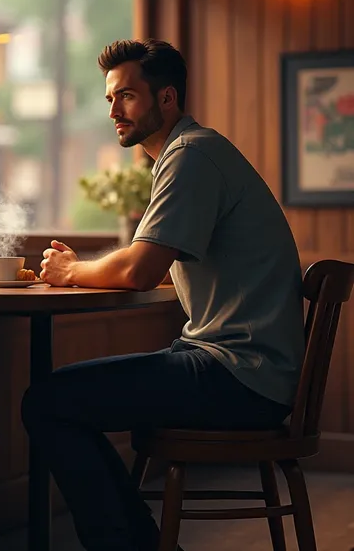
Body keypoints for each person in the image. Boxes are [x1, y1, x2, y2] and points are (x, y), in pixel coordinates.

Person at [21, 39, 305, 551]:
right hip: (246, 367)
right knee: (59, 398)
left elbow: (138, 269)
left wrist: (67, 270)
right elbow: (151, 263)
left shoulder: (191, 155)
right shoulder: (191, 152)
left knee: (48, 401)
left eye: (126, 96)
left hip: (240, 375)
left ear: (167, 98)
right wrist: (103, 267)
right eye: (110, 98)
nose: (113, 110)